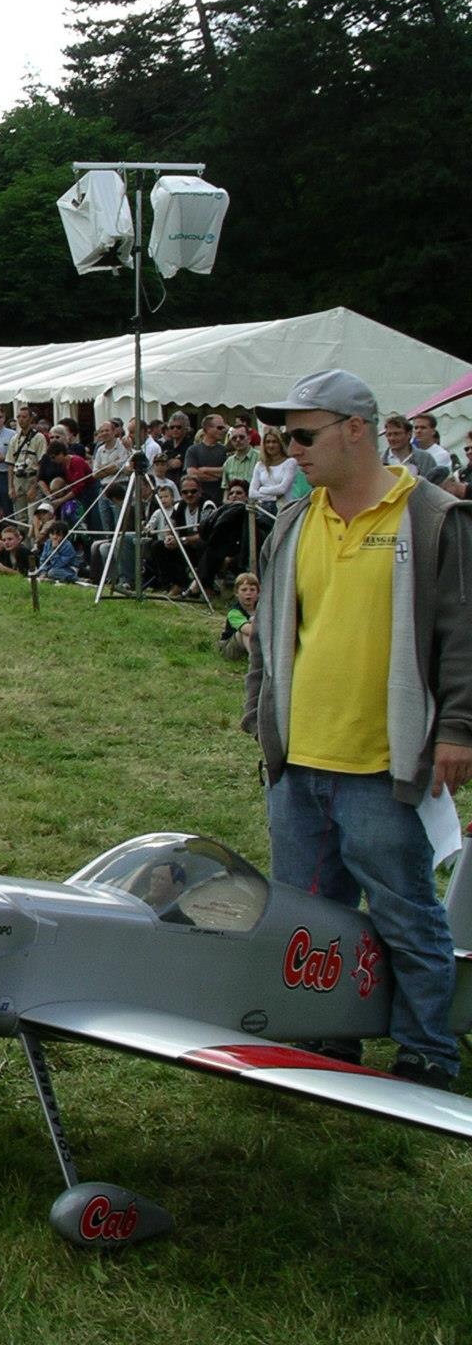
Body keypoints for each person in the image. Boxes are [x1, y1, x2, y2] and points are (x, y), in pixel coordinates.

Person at [244, 369, 472, 1088]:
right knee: (311, 921)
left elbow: (462, 635)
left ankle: (427, 1051)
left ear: (356, 429)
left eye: (304, 436)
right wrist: (261, 717)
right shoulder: (292, 521)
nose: (292, 451)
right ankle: (325, 1037)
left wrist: (459, 729)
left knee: (406, 913)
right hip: (300, 760)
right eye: (285, 438)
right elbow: (273, 631)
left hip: (384, 763)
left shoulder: (434, 517)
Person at [219, 571, 258, 662]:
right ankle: (255, 660)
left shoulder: (261, 608)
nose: (248, 593)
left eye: (252, 590)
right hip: (230, 648)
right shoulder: (234, 612)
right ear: (237, 593)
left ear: (258, 593)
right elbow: (249, 630)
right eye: (244, 590)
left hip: (254, 642)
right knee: (243, 632)